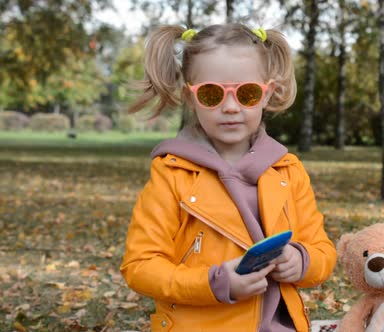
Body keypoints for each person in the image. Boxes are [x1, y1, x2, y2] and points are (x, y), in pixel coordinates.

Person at [119, 23, 337, 332]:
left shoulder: (288, 170)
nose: (231, 107)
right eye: (212, 94)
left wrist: (302, 260)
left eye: (247, 93)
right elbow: (140, 267)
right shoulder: (172, 174)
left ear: (267, 94)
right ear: (190, 97)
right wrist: (215, 283)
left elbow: (323, 250)